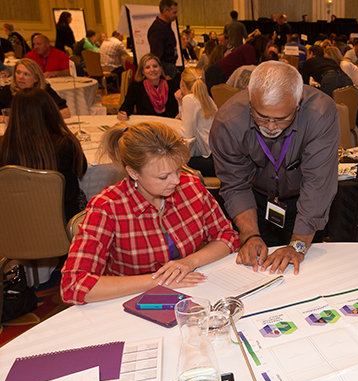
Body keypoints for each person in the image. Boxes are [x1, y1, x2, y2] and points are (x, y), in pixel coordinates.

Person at [60, 122, 239, 305]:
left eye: (178, 170)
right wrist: (158, 281)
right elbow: (74, 285)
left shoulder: (190, 186)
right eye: (163, 177)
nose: (176, 181)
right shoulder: (108, 207)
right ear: (133, 172)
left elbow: (227, 236)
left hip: (190, 294)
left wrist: (189, 262)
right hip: (131, 301)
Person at [209, 61, 340, 275]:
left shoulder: (320, 114)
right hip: (255, 201)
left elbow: (317, 184)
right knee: (260, 271)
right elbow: (235, 185)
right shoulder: (228, 123)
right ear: (251, 100)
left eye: (281, 119)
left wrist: (297, 246)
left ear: (298, 105)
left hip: (303, 203)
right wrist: (251, 236)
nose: (270, 126)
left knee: (301, 270)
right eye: (260, 116)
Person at [0, 88, 86, 221]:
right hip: (62, 223)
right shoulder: (65, 144)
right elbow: (82, 170)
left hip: (14, 225)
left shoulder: (3, 146)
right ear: (50, 112)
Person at [175, 68, 217, 177]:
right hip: (217, 158)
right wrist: (180, 103)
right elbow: (187, 119)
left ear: (182, 82)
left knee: (170, 161)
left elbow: (187, 135)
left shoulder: (190, 99)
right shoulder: (207, 98)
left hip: (208, 160)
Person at [0, 58, 70, 118]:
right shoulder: (8, 92)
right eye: (18, 72)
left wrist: (39, 119)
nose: (20, 77)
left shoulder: (44, 90)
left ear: (36, 78)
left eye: (26, 74)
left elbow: (66, 112)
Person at [118, 53, 180, 120]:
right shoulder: (136, 86)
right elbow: (126, 107)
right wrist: (122, 114)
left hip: (168, 126)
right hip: (146, 126)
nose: (152, 70)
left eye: (155, 66)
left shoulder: (173, 85)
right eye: (147, 67)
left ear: (161, 68)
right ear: (142, 71)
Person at [148, 0, 179, 78]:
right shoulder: (157, 29)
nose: (176, 15)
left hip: (170, 66)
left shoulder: (166, 26)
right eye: (174, 12)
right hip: (165, 68)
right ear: (165, 11)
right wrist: (164, 74)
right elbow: (156, 55)